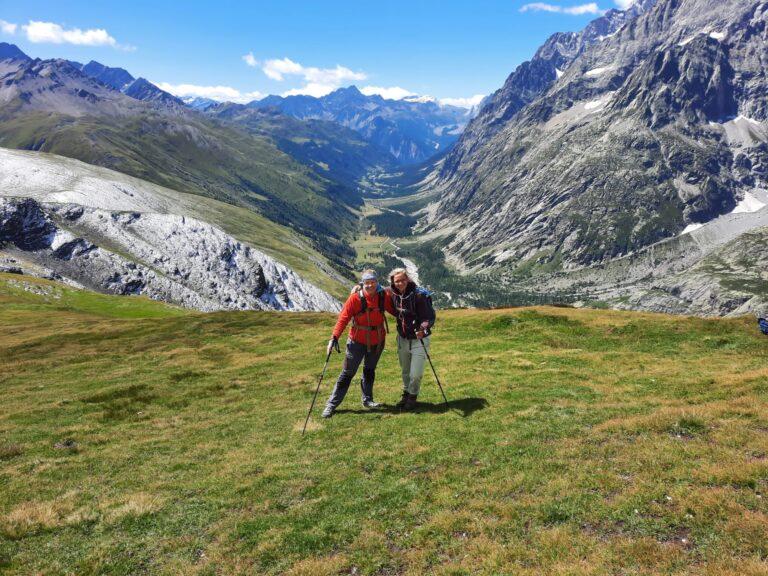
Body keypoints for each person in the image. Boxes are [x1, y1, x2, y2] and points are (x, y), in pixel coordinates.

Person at [321, 269, 393, 418]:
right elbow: (343, 318)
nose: (370, 285)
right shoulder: (355, 298)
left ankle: (367, 400)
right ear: (362, 283)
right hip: (356, 342)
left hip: (377, 341)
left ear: (377, 283)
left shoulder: (383, 296)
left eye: (372, 282)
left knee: (369, 370)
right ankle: (331, 404)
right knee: (347, 373)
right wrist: (334, 337)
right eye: (367, 283)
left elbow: (395, 310)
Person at [389, 268, 436, 410]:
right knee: (405, 371)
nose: (400, 283)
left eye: (403, 280)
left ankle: (413, 396)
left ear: (408, 279)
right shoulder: (392, 294)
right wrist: (360, 286)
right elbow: (375, 287)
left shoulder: (419, 295)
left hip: (419, 340)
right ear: (393, 282)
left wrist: (423, 329)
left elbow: (429, 317)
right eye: (397, 281)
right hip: (402, 339)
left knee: (415, 373)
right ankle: (406, 393)